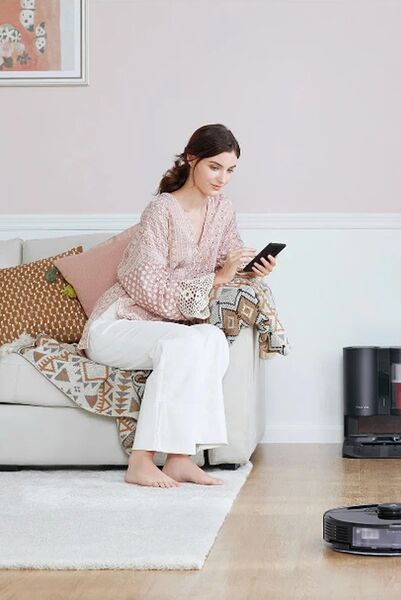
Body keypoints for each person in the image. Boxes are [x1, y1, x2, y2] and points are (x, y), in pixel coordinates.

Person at [77, 124, 277, 489]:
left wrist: (250, 270)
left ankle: (180, 458)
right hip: (120, 321)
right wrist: (217, 278)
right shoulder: (161, 211)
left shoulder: (222, 210)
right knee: (185, 343)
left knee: (212, 339)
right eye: (214, 167)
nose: (222, 178)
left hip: (163, 328)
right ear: (191, 159)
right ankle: (141, 461)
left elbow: (227, 261)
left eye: (230, 170)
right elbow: (145, 285)